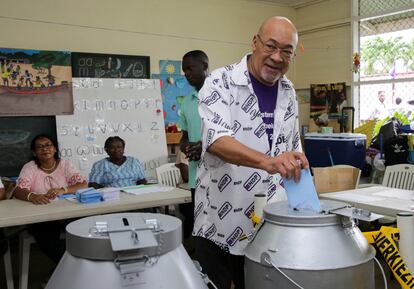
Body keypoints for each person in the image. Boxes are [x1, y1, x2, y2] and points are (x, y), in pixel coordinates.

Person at [194, 17, 309, 289]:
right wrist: (268, 162)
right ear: (255, 43)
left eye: (287, 51)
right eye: (270, 46)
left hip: (271, 228)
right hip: (221, 225)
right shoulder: (219, 83)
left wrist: (308, 212)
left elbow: (293, 151)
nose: (277, 57)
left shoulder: (288, 90)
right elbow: (216, 141)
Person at [13, 134, 87, 274]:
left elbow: (82, 184)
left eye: (48, 145)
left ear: (54, 149)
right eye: (39, 147)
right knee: (47, 237)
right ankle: (72, 270)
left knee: (82, 229)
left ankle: (63, 271)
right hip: (43, 215)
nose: (44, 149)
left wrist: (63, 190)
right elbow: (18, 190)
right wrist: (32, 196)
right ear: (34, 152)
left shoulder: (65, 164)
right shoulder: (30, 167)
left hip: (68, 212)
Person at [179, 50, 209, 239]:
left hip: (221, 176)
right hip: (194, 177)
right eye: (184, 70)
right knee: (195, 224)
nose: (186, 73)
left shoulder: (222, 96)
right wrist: (187, 146)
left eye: (190, 68)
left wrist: (205, 146)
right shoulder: (187, 103)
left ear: (205, 66)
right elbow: (184, 137)